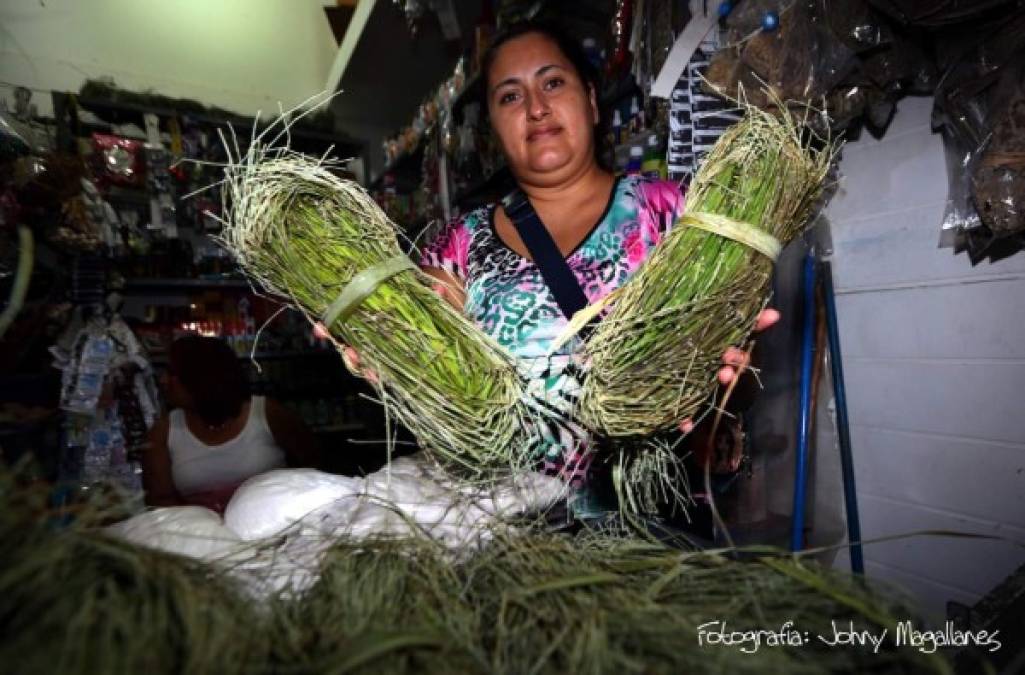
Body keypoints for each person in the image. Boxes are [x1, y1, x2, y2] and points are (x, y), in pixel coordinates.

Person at [340, 20, 778, 516]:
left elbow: (739, 390)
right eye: (509, 97)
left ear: (591, 101)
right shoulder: (458, 245)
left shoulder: (671, 212)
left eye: (552, 83)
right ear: (493, 126)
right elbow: (439, 390)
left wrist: (732, 383)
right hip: (506, 534)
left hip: (655, 527)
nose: (535, 108)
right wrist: (390, 352)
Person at [141, 335, 321, 513]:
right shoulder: (163, 432)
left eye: (172, 374)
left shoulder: (267, 414)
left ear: (200, 378)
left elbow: (315, 466)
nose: (163, 381)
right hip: (204, 536)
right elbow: (160, 501)